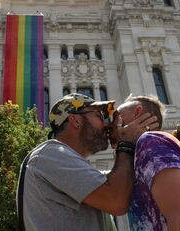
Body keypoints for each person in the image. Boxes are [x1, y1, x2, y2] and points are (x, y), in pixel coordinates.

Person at [18, 93, 159, 231]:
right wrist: (126, 144)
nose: (106, 125)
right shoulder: (50, 154)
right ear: (75, 120)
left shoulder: (78, 169)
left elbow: (123, 182)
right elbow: (116, 200)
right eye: (99, 116)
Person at [110, 95, 180, 231]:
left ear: (137, 112)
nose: (112, 124)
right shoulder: (149, 150)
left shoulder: (150, 142)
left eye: (118, 116)